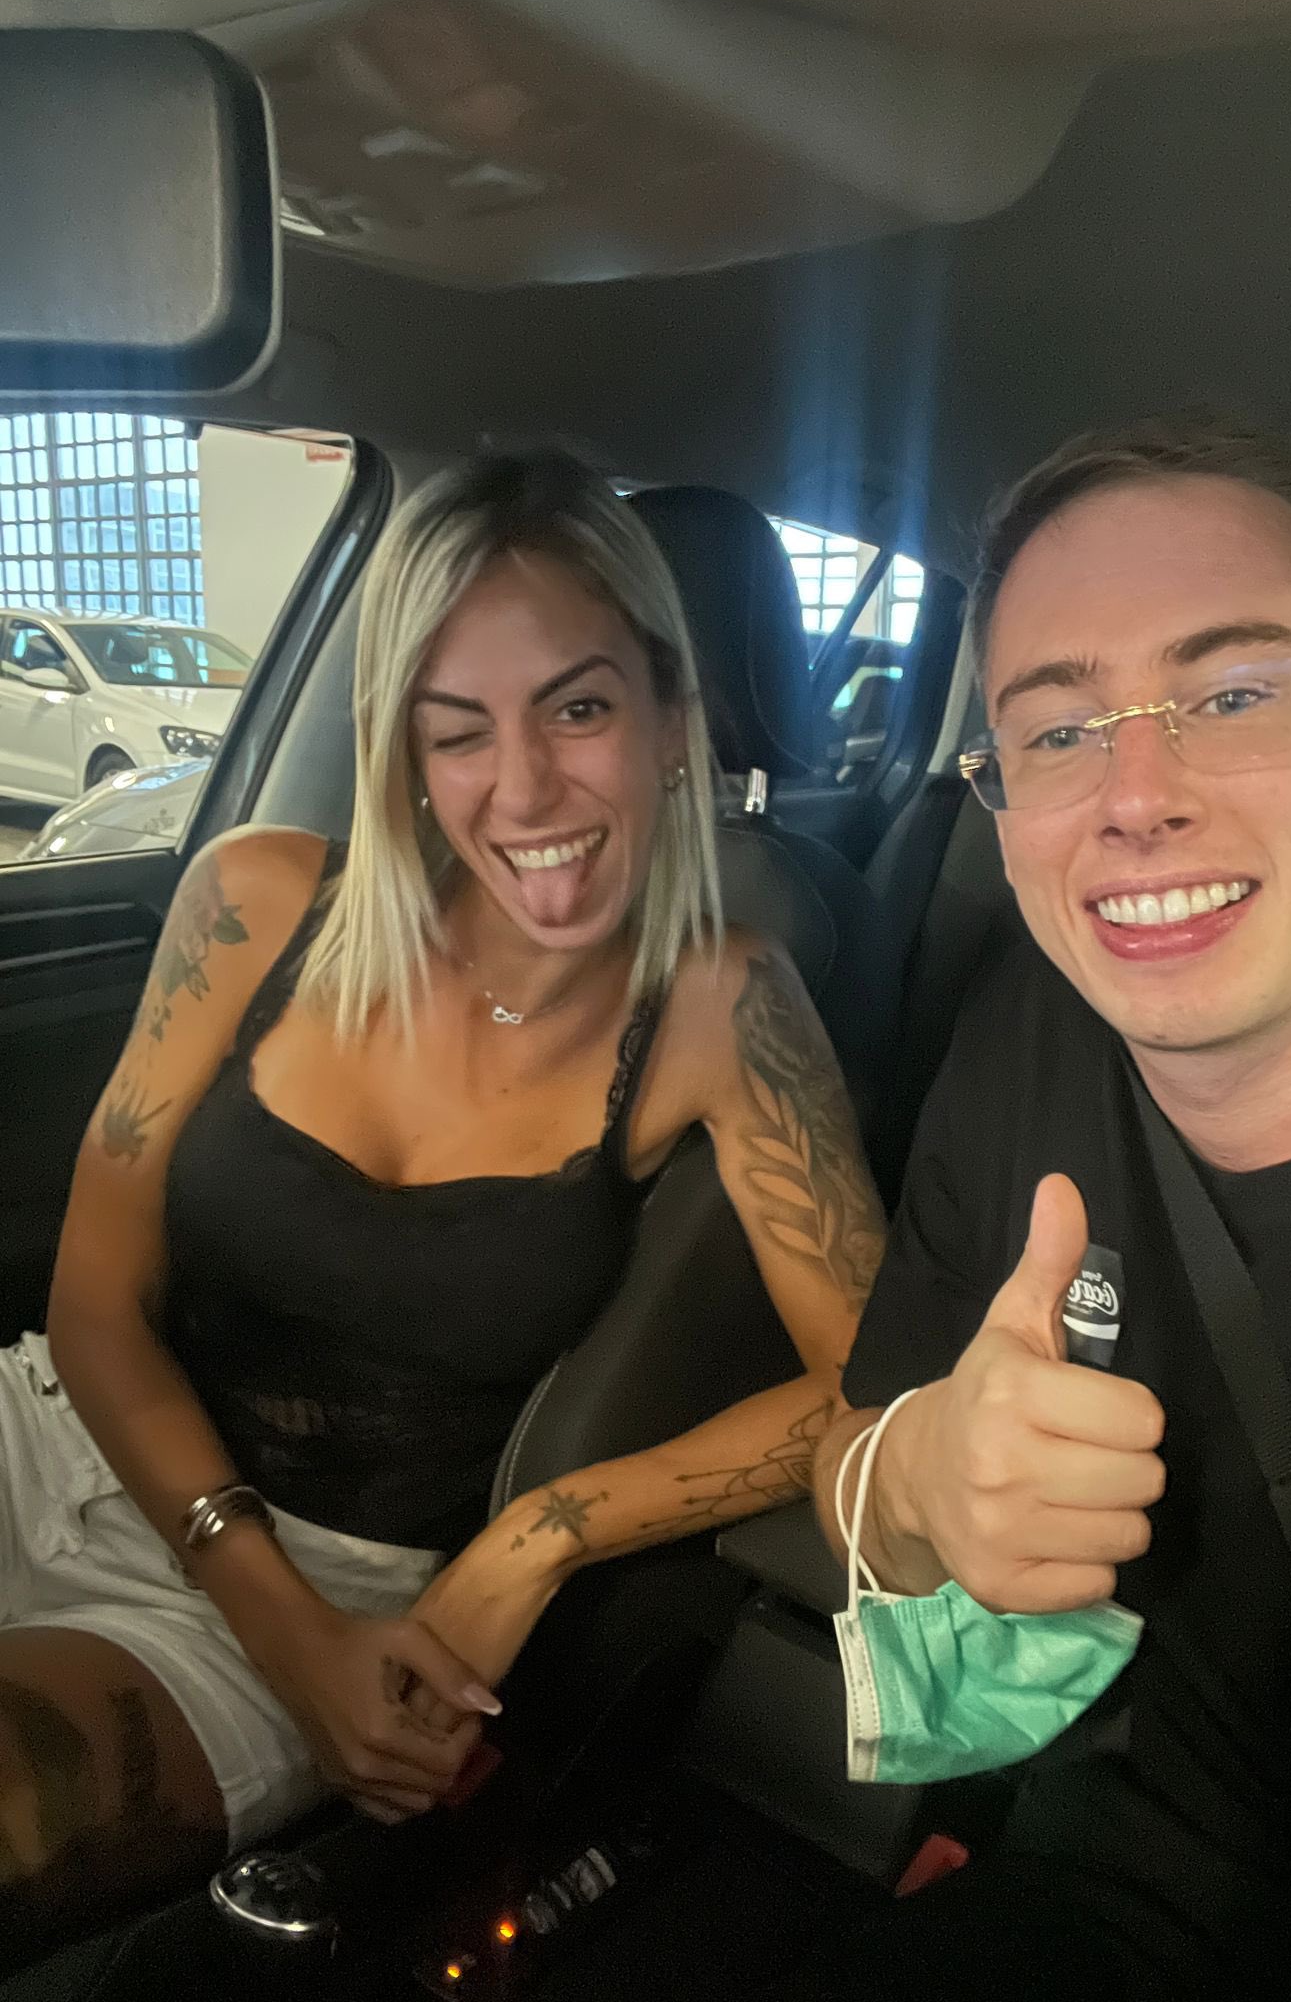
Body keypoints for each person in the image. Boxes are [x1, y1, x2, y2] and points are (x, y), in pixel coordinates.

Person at [0, 453, 884, 1962]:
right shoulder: (254, 901)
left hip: (336, 1608)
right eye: (458, 728)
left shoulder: (724, 1009)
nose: (522, 788)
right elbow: (92, 1302)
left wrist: (536, 1537)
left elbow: (876, 1384)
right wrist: (280, 1621)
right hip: (62, 1443)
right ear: (405, 749)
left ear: (674, 718)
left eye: (578, 709)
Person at [805, 415, 1291, 1998]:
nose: (1136, 797)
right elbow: (854, 1449)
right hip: (1119, 1874)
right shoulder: (1026, 1038)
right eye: (1059, 731)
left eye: (1236, 694)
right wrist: (918, 1479)